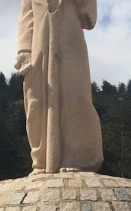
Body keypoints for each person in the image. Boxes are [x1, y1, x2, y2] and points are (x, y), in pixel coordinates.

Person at [15, 0, 103, 173]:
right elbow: (26, 16)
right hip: (38, 49)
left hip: (70, 44)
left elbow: (88, 19)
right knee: (36, 101)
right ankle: (40, 160)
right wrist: (23, 50)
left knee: (74, 97)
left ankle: (75, 156)